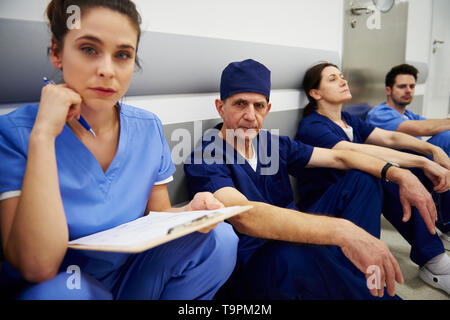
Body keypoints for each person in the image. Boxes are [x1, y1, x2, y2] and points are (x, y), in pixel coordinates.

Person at [0, 0, 238, 300]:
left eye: (123, 55)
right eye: (89, 49)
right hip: (64, 288)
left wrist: (189, 214)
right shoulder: (16, 133)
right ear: (57, 53)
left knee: (219, 238)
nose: (107, 70)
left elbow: (157, 218)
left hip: (131, 281)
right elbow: (38, 267)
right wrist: (45, 135)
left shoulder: (147, 128)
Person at [184, 58, 440, 299]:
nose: (251, 115)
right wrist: (343, 231)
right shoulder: (207, 156)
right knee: (295, 254)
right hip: (260, 260)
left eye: (259, 106)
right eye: (240, 104)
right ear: (221, 107)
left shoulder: (274, 144)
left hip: (297, 239)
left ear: (267, 109)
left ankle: (364, 266)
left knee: (363, 178)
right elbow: (244, 215)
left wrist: (399, 173)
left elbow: (342, 157)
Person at [295, 62, 450, 295]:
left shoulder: (348, 120)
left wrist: (431, 151)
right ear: (315, 93)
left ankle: (436, 259)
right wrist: (422, 161)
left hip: (355, 201)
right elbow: (356, 154)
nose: (343, 81)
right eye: (333, 79)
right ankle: (422, 262)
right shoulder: (312, 126)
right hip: (324, 210)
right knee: (378, 171)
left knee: (389, 169)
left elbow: (390, 139)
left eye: (342, 76)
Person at [366, 63, 450, 248]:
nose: (408, 91)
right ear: (388, 90)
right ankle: (446, 223)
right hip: (397, 169)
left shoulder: (408, 114)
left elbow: (433, 123)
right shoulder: (379, 114)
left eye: (412, 86)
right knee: (445, 139)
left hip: (418, 165)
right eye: (402, 86)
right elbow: (425, 128)